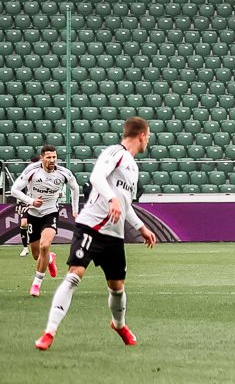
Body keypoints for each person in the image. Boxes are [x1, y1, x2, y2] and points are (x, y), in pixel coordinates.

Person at [36, 117, 157, 351]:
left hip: (114, 235)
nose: (148, 140)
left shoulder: (133, 166)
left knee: (117, 287)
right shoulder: (115, 152)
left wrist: (141, 227)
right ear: (142, 135)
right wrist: (111, 198)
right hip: (90, 226)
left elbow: (125, 204)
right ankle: (49, 332)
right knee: (74, 275)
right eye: (148, 136)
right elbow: (96, 178)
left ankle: (119, 324)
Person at [10, 144, 81, 298]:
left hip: (51, 213)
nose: (52, 160)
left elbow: (75, 188)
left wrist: (75, 210)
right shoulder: (32, 171)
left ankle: (36, 284)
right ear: (42, 158)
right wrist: (30, 201)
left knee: (45, 245)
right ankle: (50, 258)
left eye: (54, 157)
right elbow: (14, 189)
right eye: (48, 157)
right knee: (37, 255)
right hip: (33, 214)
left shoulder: (63, 173)